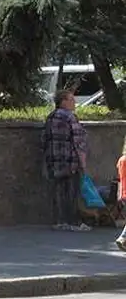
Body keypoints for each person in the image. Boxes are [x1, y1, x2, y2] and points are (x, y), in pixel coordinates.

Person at [41, 90, 91, 232]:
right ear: (63, 101)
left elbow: (44, 139)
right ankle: (74, 222)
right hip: (70, 161)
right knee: (72, 192)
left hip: (54, 161)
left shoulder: (50, 117)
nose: (74, 103)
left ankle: (59, 221)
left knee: (58, 191)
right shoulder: (70, 117)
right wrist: (83, 163)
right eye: (71, 100)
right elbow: (78, 141)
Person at [116, 143, 126, 251]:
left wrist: (119, 194)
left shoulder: (121, 160)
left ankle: (123, 238)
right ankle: (123, 237)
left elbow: (119, 179)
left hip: (123, 193)